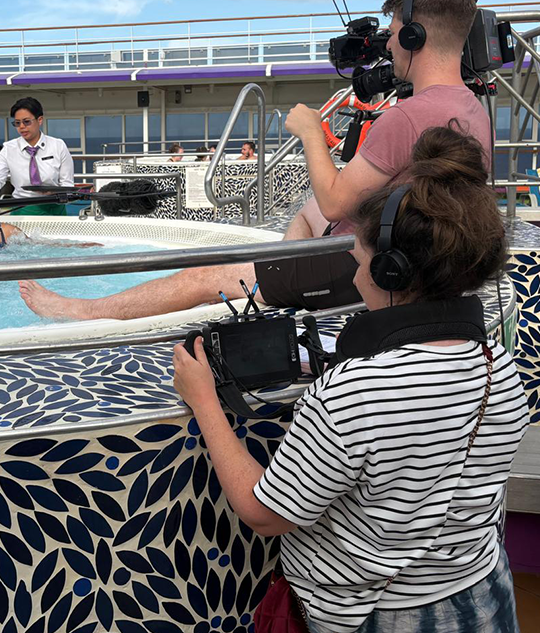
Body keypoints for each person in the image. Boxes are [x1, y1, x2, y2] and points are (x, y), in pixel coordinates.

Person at [174, 126, 528, 633]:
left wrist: (203, 399)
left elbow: (264, 512)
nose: (355, 272)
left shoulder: (352, 393)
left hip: (377, 616)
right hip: (481, 594)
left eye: (358, 258)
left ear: (390, 273)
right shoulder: (499, 365)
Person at [18, 0, 492, 321]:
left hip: (366, 260)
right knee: (306, 213)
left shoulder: (407, 117)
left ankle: (82, 311)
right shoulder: (472, 109)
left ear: (415, 36)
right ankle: (276, 286)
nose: (387, 47)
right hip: (419, 257)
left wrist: (309, 130)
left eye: (391, 36)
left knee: (203, 277)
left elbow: (335, 199)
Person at [0, 97, 74, 216]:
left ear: (40, 120)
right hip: (22, 208)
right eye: (17, 123)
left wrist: (56, 193)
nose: (22, 127)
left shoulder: (58, 146)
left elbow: (67, 185)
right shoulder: (9, 149)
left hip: (54, 207)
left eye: (26, 121)